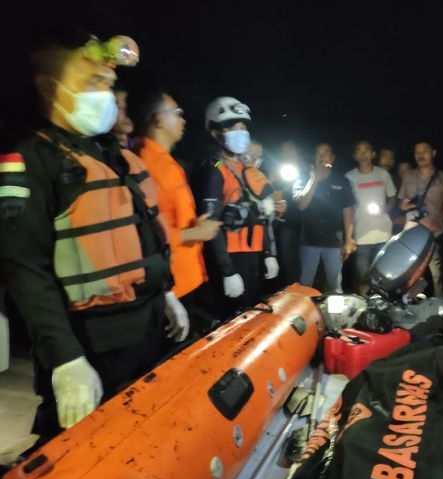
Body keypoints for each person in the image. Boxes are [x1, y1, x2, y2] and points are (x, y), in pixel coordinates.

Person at [0, 33, 186, 439]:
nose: (104, 94)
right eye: (93, 84)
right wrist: (65, 359)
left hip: (148, 331)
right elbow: (25, 269)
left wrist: (166, 293)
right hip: (91, 347)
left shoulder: (112, 154)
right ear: (52, 89)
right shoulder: (28, 161)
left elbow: (145, 233)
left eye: (107, 84)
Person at [130, 88, 221, 335]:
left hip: (189, 277)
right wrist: (195, 234)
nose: (183, 120)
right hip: (173, 285)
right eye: (178, 113)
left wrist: (194, 227)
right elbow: (143, 232)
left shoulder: (167, 162)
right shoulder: (145, 164)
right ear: (159, 119)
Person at [190, 98, 282, 321]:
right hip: (232, 257)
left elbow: (264, 217)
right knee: (231, 317)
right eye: (232, 127)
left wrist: (269, 254)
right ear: (215, 133)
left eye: (243, 127)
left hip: (254, 255)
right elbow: (212, 225)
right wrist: (227, 271)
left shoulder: (246, 169)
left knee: (251, 311)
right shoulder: (213, 171)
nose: (240, 132)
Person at [294, 143, 356, 293]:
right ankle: (305, 314)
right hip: (309, 239)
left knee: (334, 284)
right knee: (305, 284)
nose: (322, 156)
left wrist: (348, 239)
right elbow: (301, 205)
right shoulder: (303, 177)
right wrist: (314, 179)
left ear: (332, 158)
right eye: (318, 153)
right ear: (314, 157)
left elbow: (347, 210)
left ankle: (334, 316)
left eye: (326, 152)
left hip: (334, 240)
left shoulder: (342, 180)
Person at [398, 139, 443, 297]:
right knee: (411, 272)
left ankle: (439, 305)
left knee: (436, 273)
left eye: (424, 151)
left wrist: (438, 220)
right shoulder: (408, 176)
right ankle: (412, 304)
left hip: (433, 232)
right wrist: (403, 206)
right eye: (417, 152)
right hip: (412, 232)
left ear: (433, 153)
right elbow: (401, 202)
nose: (420, 155)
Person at [345, 140, 397, 294]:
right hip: (361, 236)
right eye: (359, 151)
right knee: (362, 279)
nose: (363, 154)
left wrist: (385, 208)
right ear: (355, 156)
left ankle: (383, 311)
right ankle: (364, 313)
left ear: (373, 154)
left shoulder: (383, 174)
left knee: (383, 278)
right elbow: (346, 207)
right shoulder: (349, 177)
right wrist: (348, 236)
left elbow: (393, 198)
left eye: (367, 150)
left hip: (383, 234)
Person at [271, 140, 303, 286]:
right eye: (284, 151)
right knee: (288, 261)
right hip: (286, 224)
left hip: (306, 224)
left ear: (297, 152)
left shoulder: (306, 170)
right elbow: (272, 193)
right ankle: (290, 289)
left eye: (290, 150)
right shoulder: (276, 171)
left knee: (306, 261)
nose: (287, 154)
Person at [389, 160, 413, 234]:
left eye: (406, 170)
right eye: (401, 170)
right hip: (394, 228)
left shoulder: (417, 187)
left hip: (412, 227)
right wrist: (394, 220)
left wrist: (407, 219)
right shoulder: (393, 186)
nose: (404, 173)